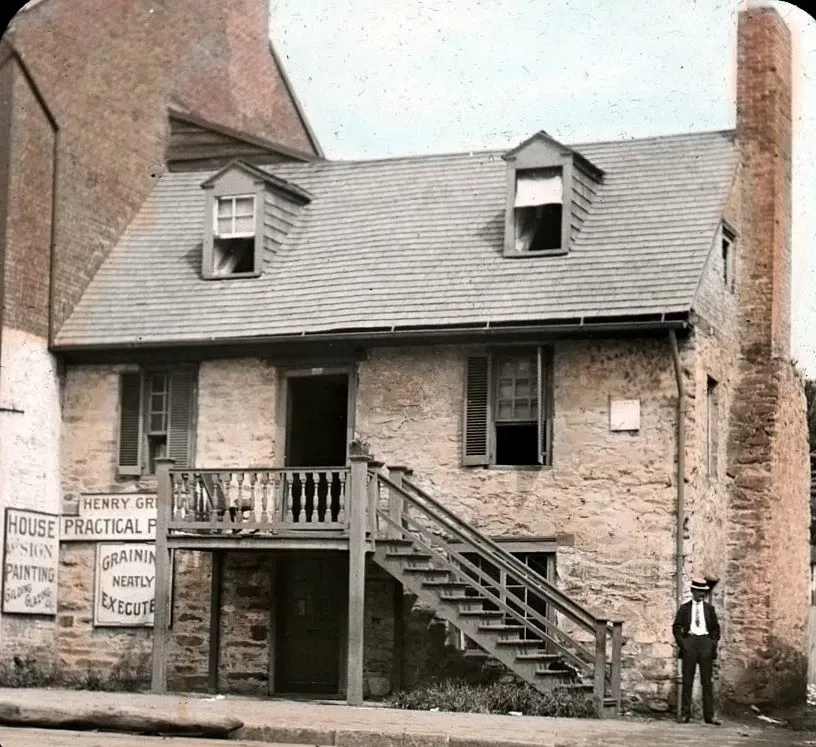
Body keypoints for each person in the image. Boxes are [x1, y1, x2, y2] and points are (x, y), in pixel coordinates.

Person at [672, 577, 721, 725]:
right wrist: (684, 644)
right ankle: (686, 715)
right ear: (693, 591)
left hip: (705, 642)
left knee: (707, 682)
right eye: (699, 591)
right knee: (688, 680)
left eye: (704, 592)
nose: (702, 595)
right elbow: (676, 627)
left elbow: (715, 629)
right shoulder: (685, 608)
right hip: (690, 643)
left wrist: (712, 643)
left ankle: (709, 716)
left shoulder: (709, 609)